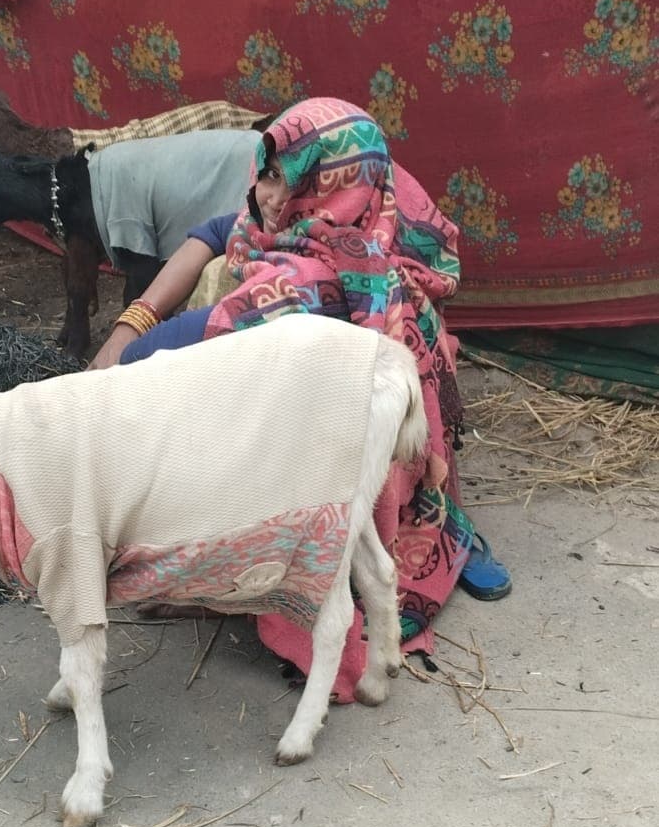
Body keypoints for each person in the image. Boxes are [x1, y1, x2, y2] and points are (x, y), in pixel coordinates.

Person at [86, 98, 508, 692]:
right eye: (263, 172)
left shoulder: (311, 281)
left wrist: (125, 351)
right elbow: (215, 233)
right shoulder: (367, 202)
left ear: (325, 180)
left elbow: (151, 357)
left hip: (342, 440)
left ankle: (228, 578)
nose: (262, 192)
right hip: (382, 422)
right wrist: (135, 315)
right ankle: (433, 524)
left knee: (209, 414)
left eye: (278, 176)